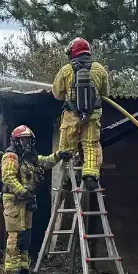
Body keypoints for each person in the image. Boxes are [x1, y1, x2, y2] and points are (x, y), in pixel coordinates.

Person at [1, 125, 69, 274]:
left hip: (26, 199)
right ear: (16, 141)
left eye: (28, 140)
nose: (26, 143)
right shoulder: (11, 157)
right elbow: (8, 178)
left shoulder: (29, 158)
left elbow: (45, 161)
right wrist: (24, 193)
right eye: (23, 140)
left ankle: (23, 268)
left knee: (26, 234)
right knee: (15, 234)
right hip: (14, 200)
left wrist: (59, 155)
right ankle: (12, 269)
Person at [52, 37, 110, 189]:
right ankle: (90, 175)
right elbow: (105, 93)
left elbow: (57, 94)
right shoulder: (100, 69)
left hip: (71, 116)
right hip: (93, 117)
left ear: (72, 53)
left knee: (66, 149)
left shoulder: (65, 70)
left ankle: (66, 179)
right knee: (91, 146)